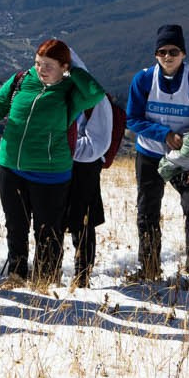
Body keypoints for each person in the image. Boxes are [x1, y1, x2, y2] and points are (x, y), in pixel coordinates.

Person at [0, 39, 105, 286]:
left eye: (48, 65)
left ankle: (46, 279)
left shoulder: (70, 91)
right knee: (16, 226)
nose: (41, 69)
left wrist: (72, 70)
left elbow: (96, 93)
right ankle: (17, 275)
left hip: (50, 172)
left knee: (47, 231)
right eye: (38, 63)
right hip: (10, 166)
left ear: (64, 66)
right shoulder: (21, 80)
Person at [125, 23, 189, 280]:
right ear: (156, 54)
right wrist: (164, 134)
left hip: (185, 159)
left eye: (174, 51)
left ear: (184, 53)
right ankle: (150, 268)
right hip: (150, 154)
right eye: (162, 51)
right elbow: (132, 119)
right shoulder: (143, 79)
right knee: (147, 210)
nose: (168, 57)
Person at [64, 46, 124, 288]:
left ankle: (82, 277)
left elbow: (97, 142)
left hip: (84, 166)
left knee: (82, 223)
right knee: (58, 220)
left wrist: (64, 148)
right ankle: (52, 274)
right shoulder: (53, 89)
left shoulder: (94, 97)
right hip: (59, 163)